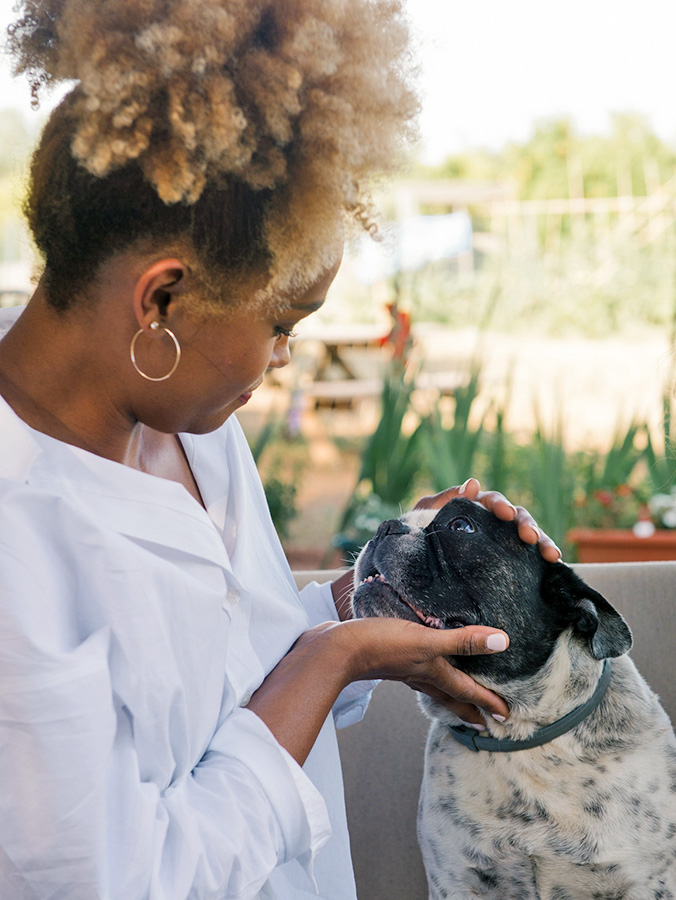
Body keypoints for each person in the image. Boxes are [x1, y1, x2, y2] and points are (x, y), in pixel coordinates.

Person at [0, 1, 561, 898]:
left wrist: (376, 594)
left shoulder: (189, 428)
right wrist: (328, 658)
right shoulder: (18, 536)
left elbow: (230, 673)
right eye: (281, 325)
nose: (282, 360)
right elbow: (123, 881)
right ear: (162, 301)